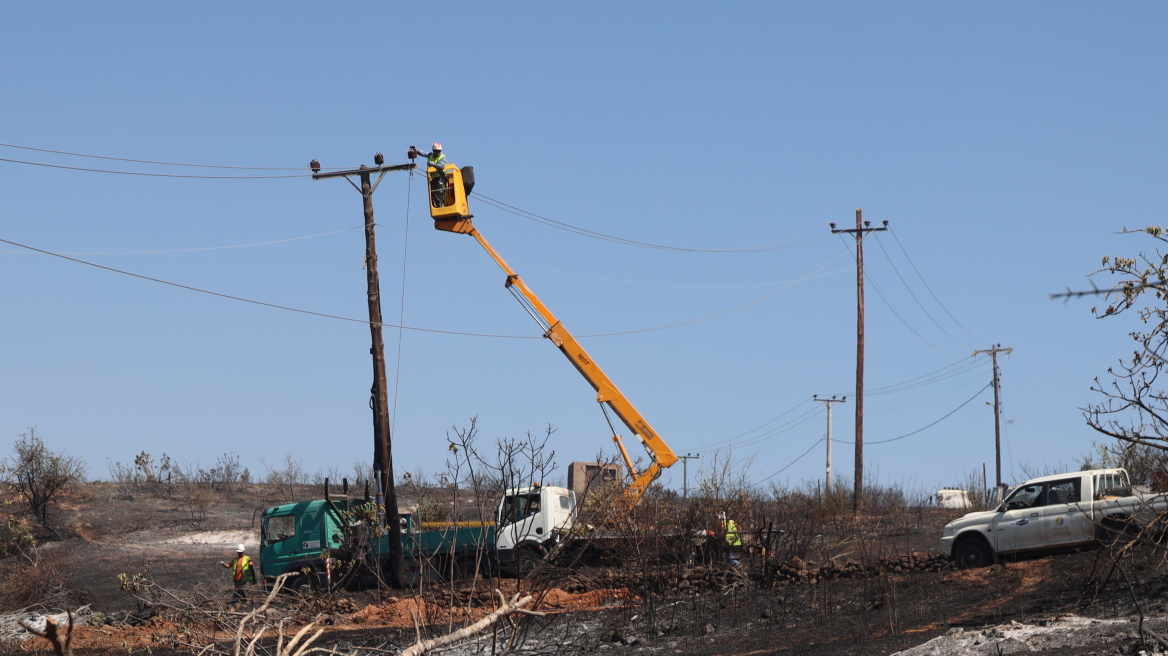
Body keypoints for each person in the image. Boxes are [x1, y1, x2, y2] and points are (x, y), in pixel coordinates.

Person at [410, 143, 450, 207]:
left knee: (440, 193)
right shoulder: (431, 155)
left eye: (439, 151)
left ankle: (441, 205)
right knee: (434, 194)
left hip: (441, 178)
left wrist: (433, 164)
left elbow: (441, 166)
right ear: (433, 150)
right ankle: (438, 205)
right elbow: (423, 153)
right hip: (434, 178)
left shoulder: (443, 157)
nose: (438, 152)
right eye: (436, 151)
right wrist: (416, 150)